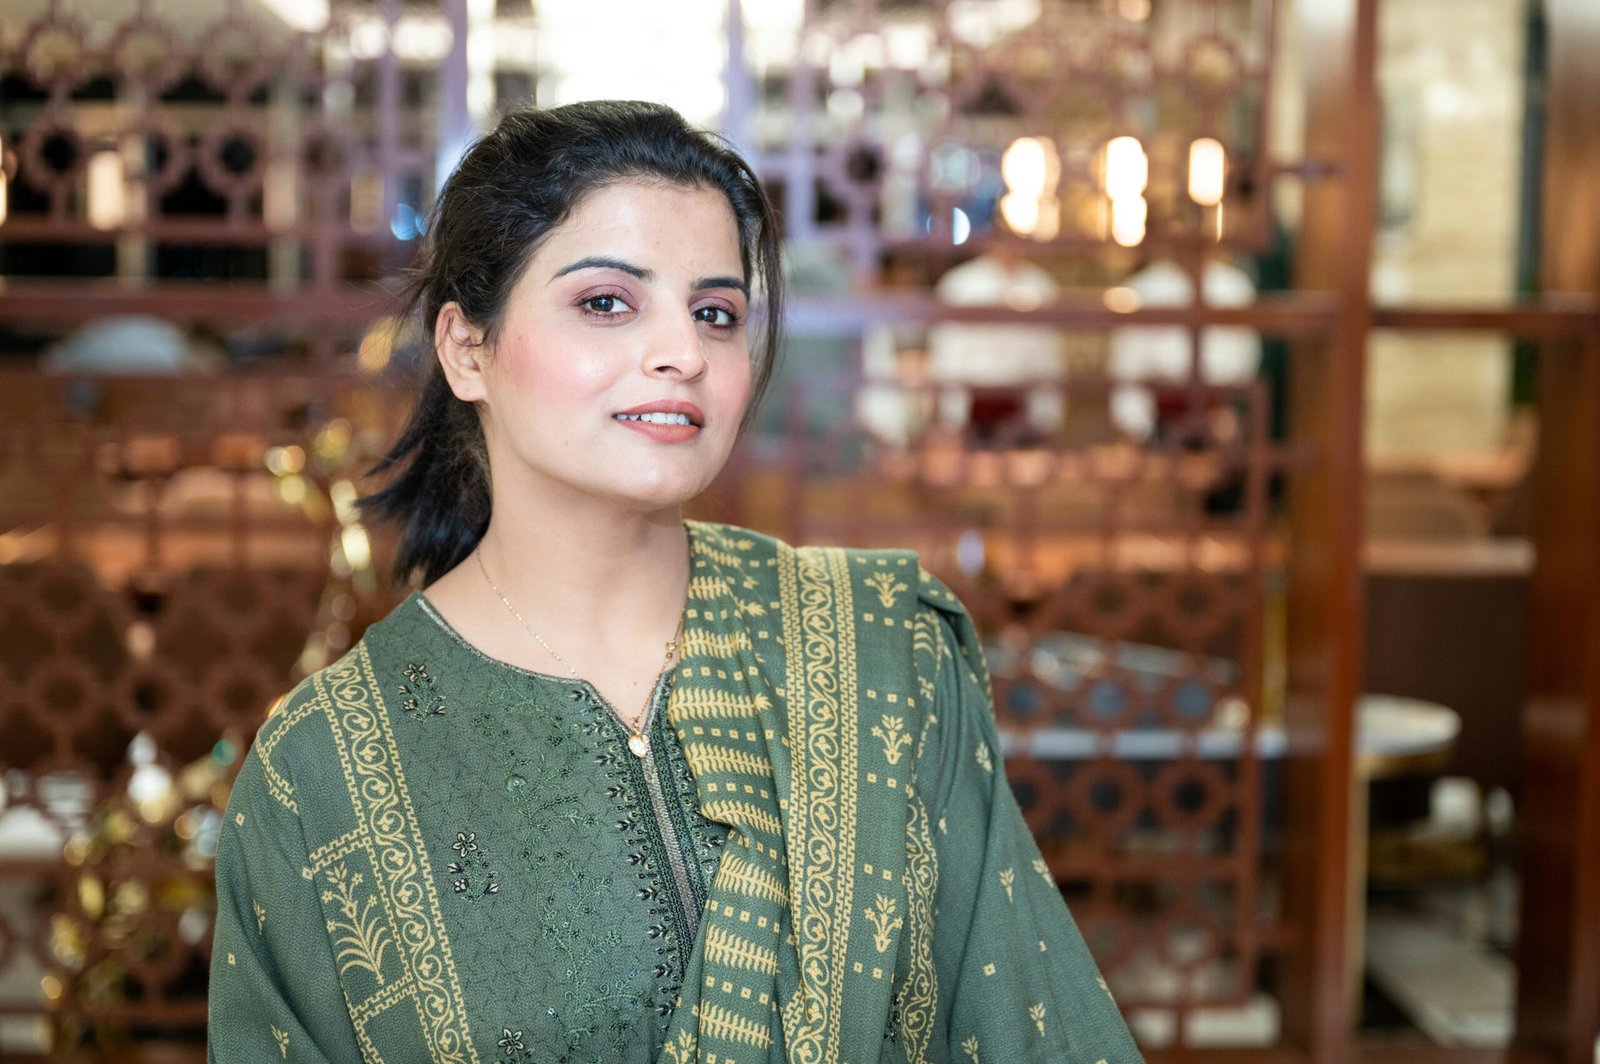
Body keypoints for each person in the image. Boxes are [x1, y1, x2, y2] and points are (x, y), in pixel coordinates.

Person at [207, 100, 1142, 1064]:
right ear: (465, 348)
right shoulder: (320, 778)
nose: (683, 354)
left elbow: (1035, 1022)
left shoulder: (884, 657)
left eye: (715, 312)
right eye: (606, 302)